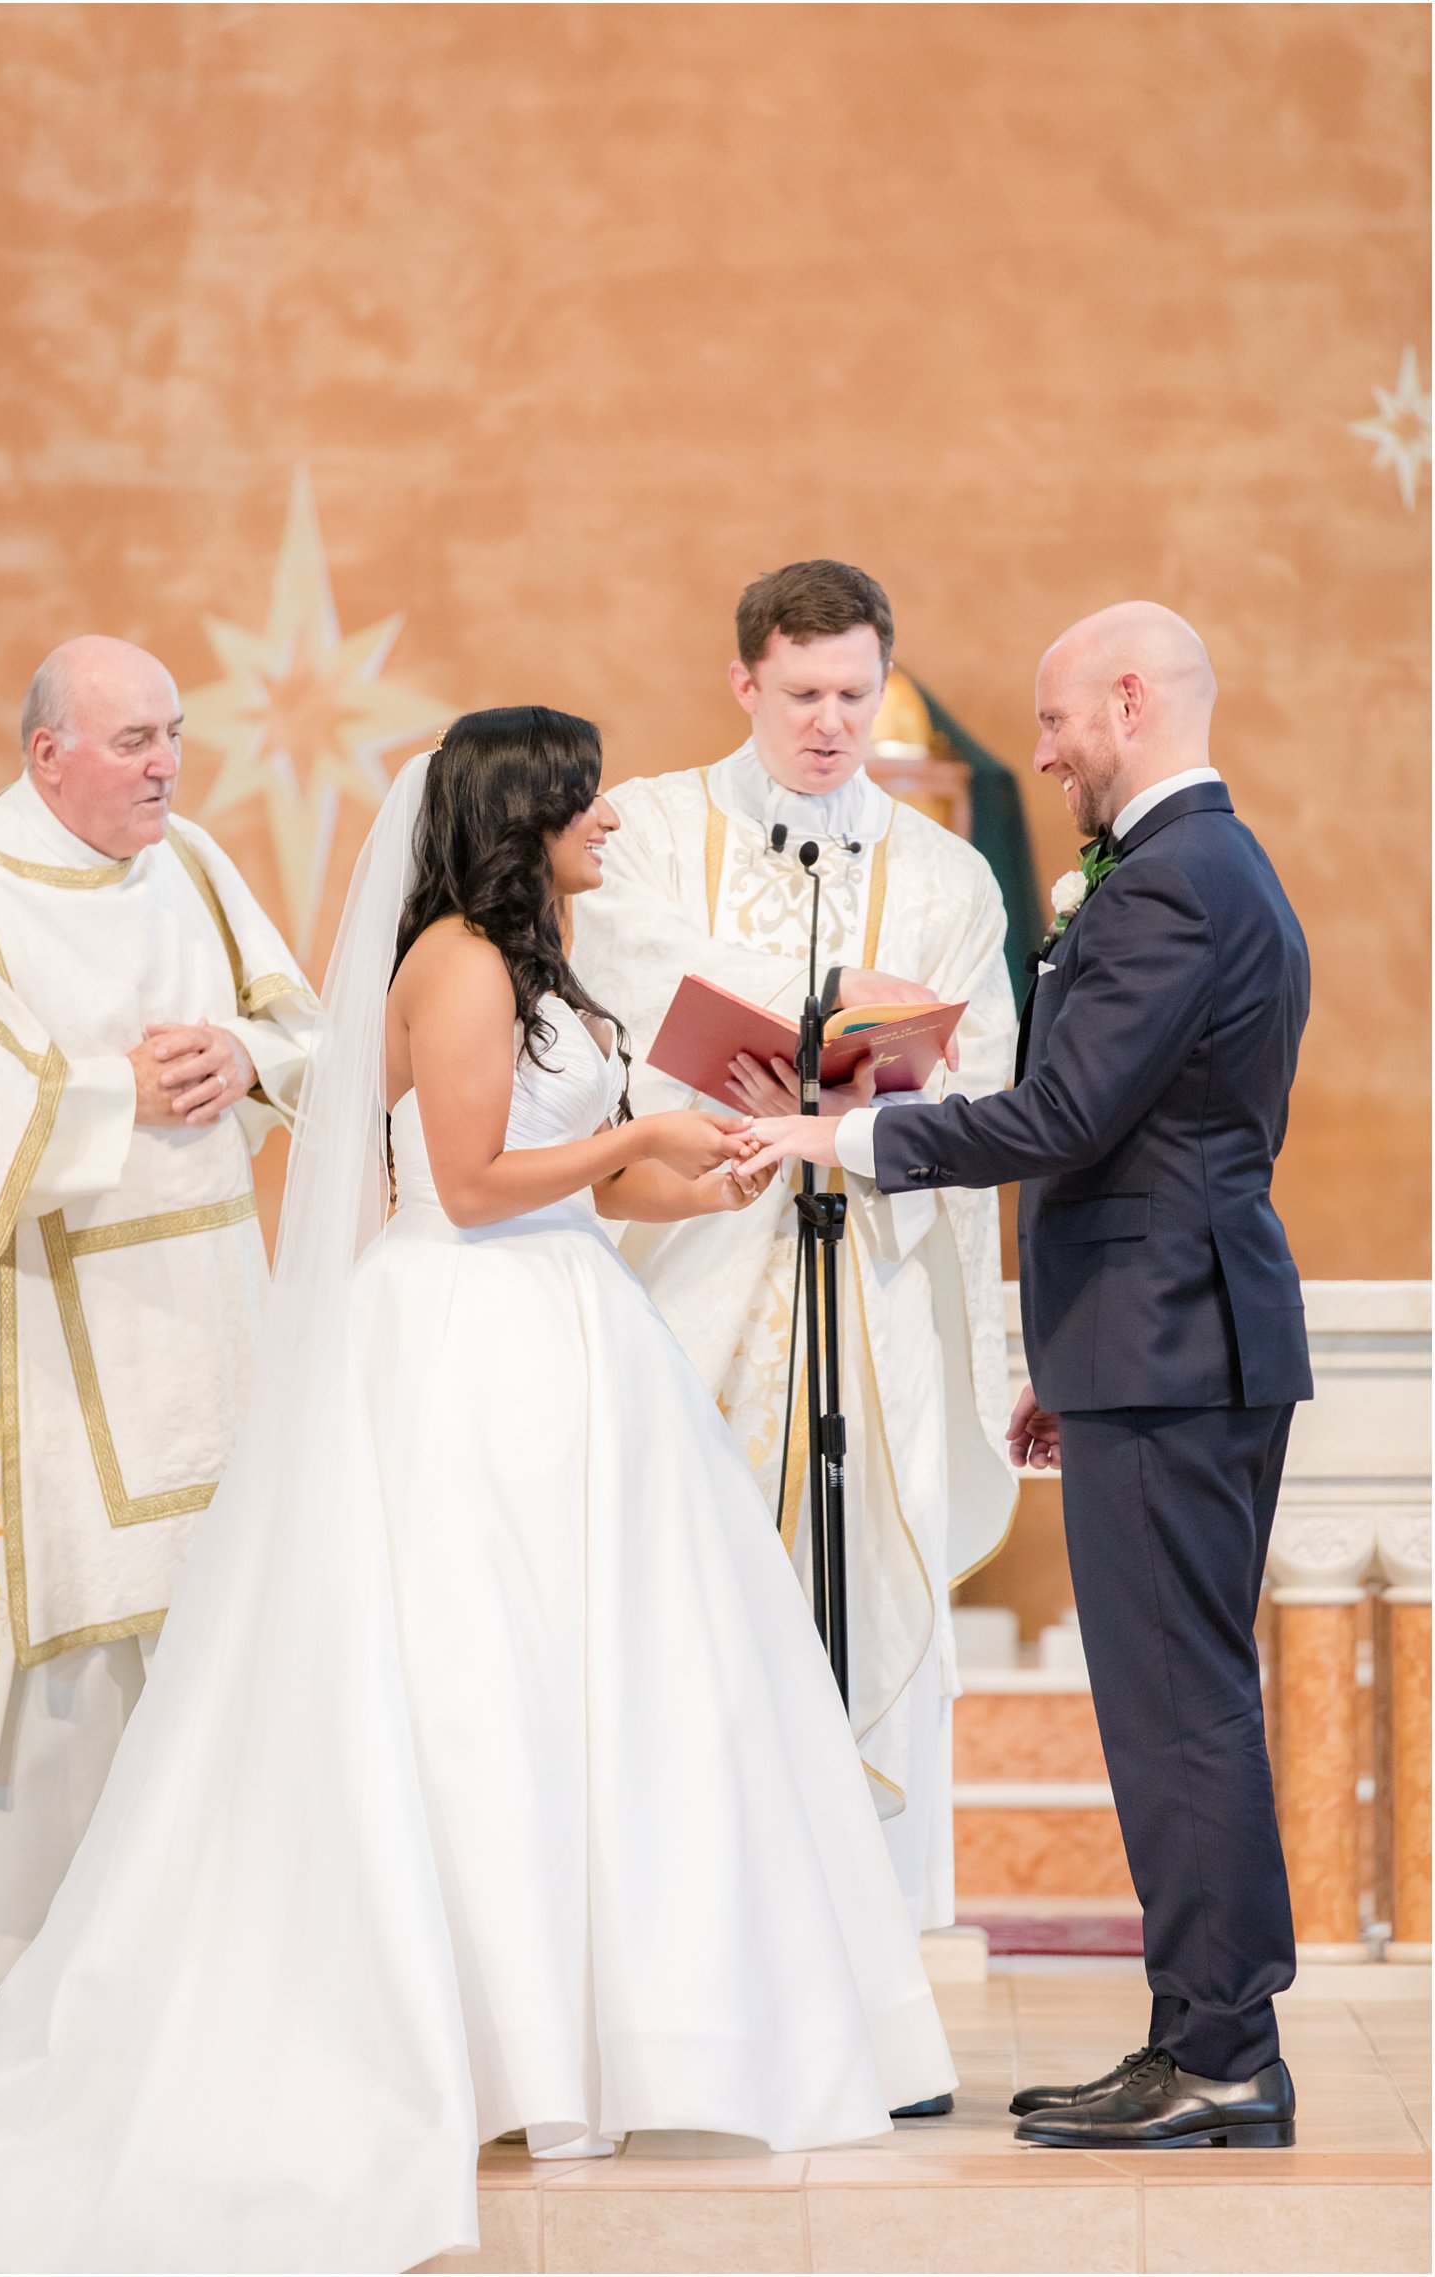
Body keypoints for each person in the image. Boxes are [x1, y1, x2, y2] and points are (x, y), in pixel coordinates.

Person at [0, 707, 956, 2276]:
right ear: (523, 808)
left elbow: (605, 1171)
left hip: (574, 1333)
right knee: (473, 1682)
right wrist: (647, 1130)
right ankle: (489, 2044)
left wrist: (707, 1161)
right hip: (470, 1339)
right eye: (586, 798)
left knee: (600, 1689)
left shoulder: (551, 962)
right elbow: (467, 1184)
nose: (610, 818)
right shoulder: (458, 961)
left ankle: (616, 2038)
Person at [749, 602, 1310, 2152]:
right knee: (1168, 1704)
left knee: (1180, 1711)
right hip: (1161, 1339)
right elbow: (1153, 1142)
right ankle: (1196, 2034)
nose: (1043, 749)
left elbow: (1063, 1114)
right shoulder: (1197, 872)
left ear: (1130, 702)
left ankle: (1225, 2050)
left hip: (1177, 1344)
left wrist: (845, 1137)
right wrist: (1074, 1354)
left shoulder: (1177, 885)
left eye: (1060, 719)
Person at [573, 559, 1017, 1943]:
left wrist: (855, 1079)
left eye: (856, 691)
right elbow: (627, 971)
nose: (832, 722)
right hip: (689, 1285)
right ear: (743, 682)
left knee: (856, 1596)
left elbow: (987, 1071)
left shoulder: (944, 870)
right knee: (683, 1613)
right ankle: (698, 1959)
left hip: (865, 1294)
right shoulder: (645, 827)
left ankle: (867, 1964)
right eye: (803, 692)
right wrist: (840, 1009)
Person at [0, 636, 315, 2055]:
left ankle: (192, 1943)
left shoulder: (196, 864)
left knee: (203, 1623)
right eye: (135, 740)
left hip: (206, 1304)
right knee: (62, 1650)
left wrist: (248, 1061)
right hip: (40, 1324)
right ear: (47, 757)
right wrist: (114, 1089)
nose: (166, 764)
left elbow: (302, 1030)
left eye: (174, 734)